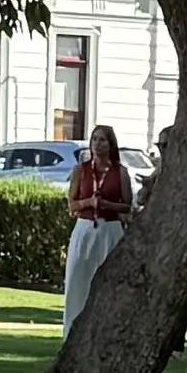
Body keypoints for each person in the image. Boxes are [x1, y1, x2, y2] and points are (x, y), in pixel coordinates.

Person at [61, 125, 132, 334]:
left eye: (102, 140)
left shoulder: (121, 172)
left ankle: (109, 331)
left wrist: (108, 205)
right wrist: (88, 203)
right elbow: (72, 204)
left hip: (110, 229)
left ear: (111, 144)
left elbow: (128, 205)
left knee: (110, 281)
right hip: (85, 228)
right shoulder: (81, 171)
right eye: (94, 140)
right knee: (77, 280)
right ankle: (71, 331)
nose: (97, 144)